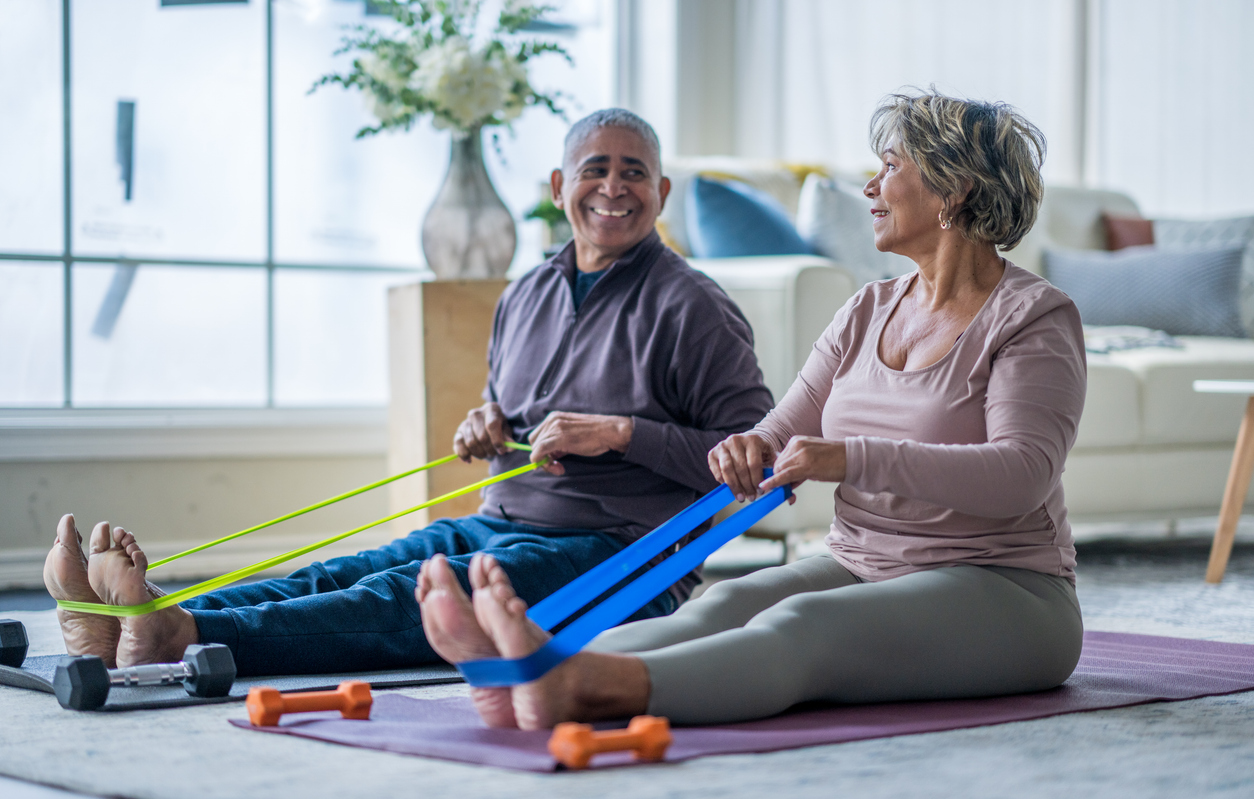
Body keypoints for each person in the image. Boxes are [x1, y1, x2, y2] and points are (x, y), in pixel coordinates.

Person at [417, 90, 1089, 729]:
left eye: (889, 168)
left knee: (803, 628)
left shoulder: (1032, 318)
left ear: (956, 185)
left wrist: (850, 458)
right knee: (730, 600)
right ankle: (529, 667)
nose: (869, 188)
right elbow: (781, 426)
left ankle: (586, 688)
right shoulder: (868, 309)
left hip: (1005, 588)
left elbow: (1021, 475)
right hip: (862, 563)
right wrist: (751, 448)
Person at [44, 108, 774, 675]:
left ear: (661, 192)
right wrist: (486, 426)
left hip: (619, 556)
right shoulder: (525, 295)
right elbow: (508, 417)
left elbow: (758, 466)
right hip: (501, 521)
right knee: (347, 571)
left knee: (405, 599)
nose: (614, 188)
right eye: (595, 169)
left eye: (635, 174)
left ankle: (177, 634)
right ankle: (137, 618)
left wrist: (620, 433)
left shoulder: (693, 307)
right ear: (559, 187)